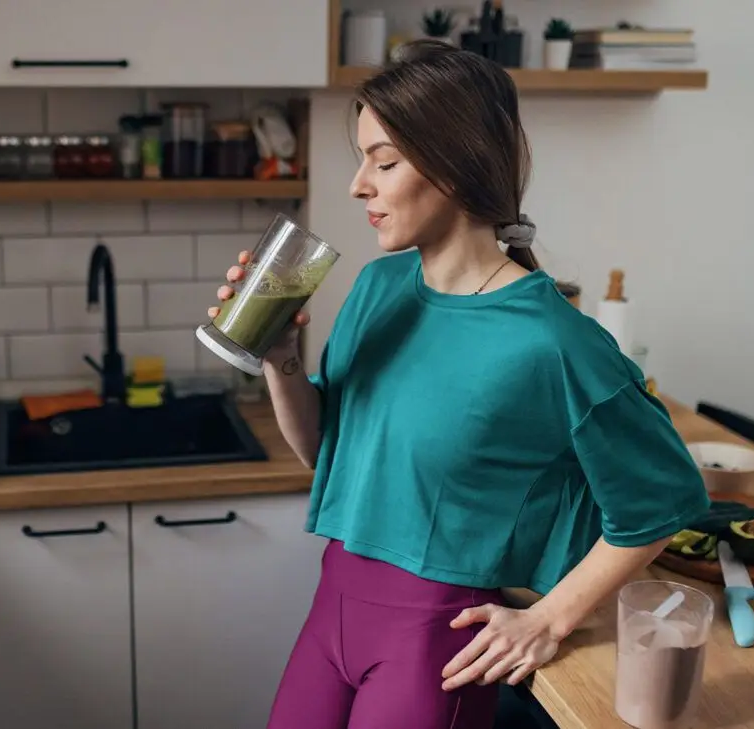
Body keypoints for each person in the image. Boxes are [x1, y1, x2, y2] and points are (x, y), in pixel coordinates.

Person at [208, 40, 711, 729]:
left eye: (383, 162)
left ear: (454, 164)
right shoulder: (377, 287)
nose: (360, 184)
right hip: (332, 607)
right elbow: (326, 453)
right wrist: (280, 357)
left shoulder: (551, 338)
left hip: (436, 644)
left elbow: (662, 498)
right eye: (364, 160)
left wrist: (549, 618)